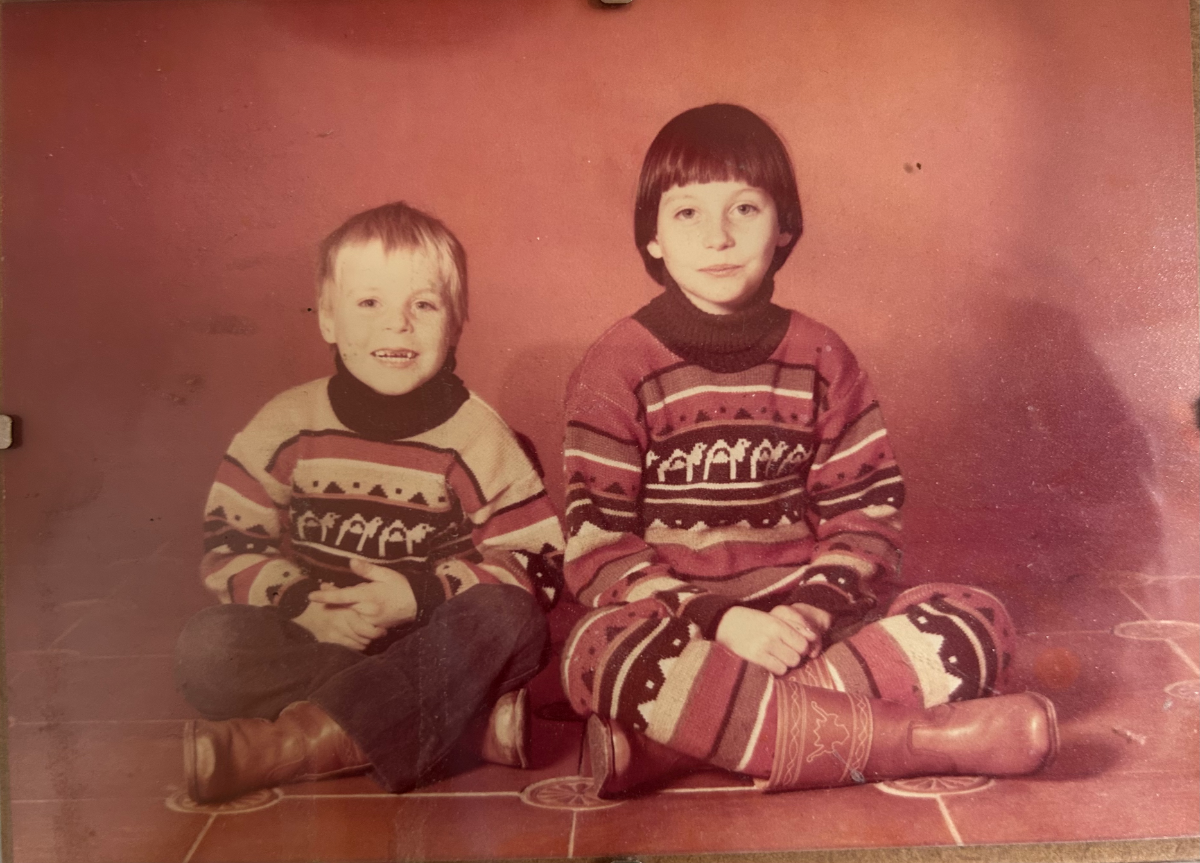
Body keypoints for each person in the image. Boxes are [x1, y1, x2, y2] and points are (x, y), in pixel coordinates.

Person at [560, 104, 1057, 797]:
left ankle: (679, 747)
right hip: (682, 625)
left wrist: (815, 609)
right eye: (687, 213)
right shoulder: (617, 365)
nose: (718, 236)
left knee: (977, 621)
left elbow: (865, 514)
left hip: (808, 622)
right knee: (597, 654)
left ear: (785, 226)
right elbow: (599, 547)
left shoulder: (822, 355)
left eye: (745, 209)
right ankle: (921, 741)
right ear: (653, 238)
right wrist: (721, 622)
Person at [175, 202, 565, 803]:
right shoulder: (287, 422)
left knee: (510, 620)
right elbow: (232, 543)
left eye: (424, 305)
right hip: (320, 632)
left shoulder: (480, 438)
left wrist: (418, 595)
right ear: (328, 318)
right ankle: (457, 725)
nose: (397, 325)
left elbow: (536, 562)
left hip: (432, 640)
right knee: (208, 647)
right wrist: (305, 606)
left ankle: (289, 745)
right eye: (369, 303)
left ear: (456, 323)